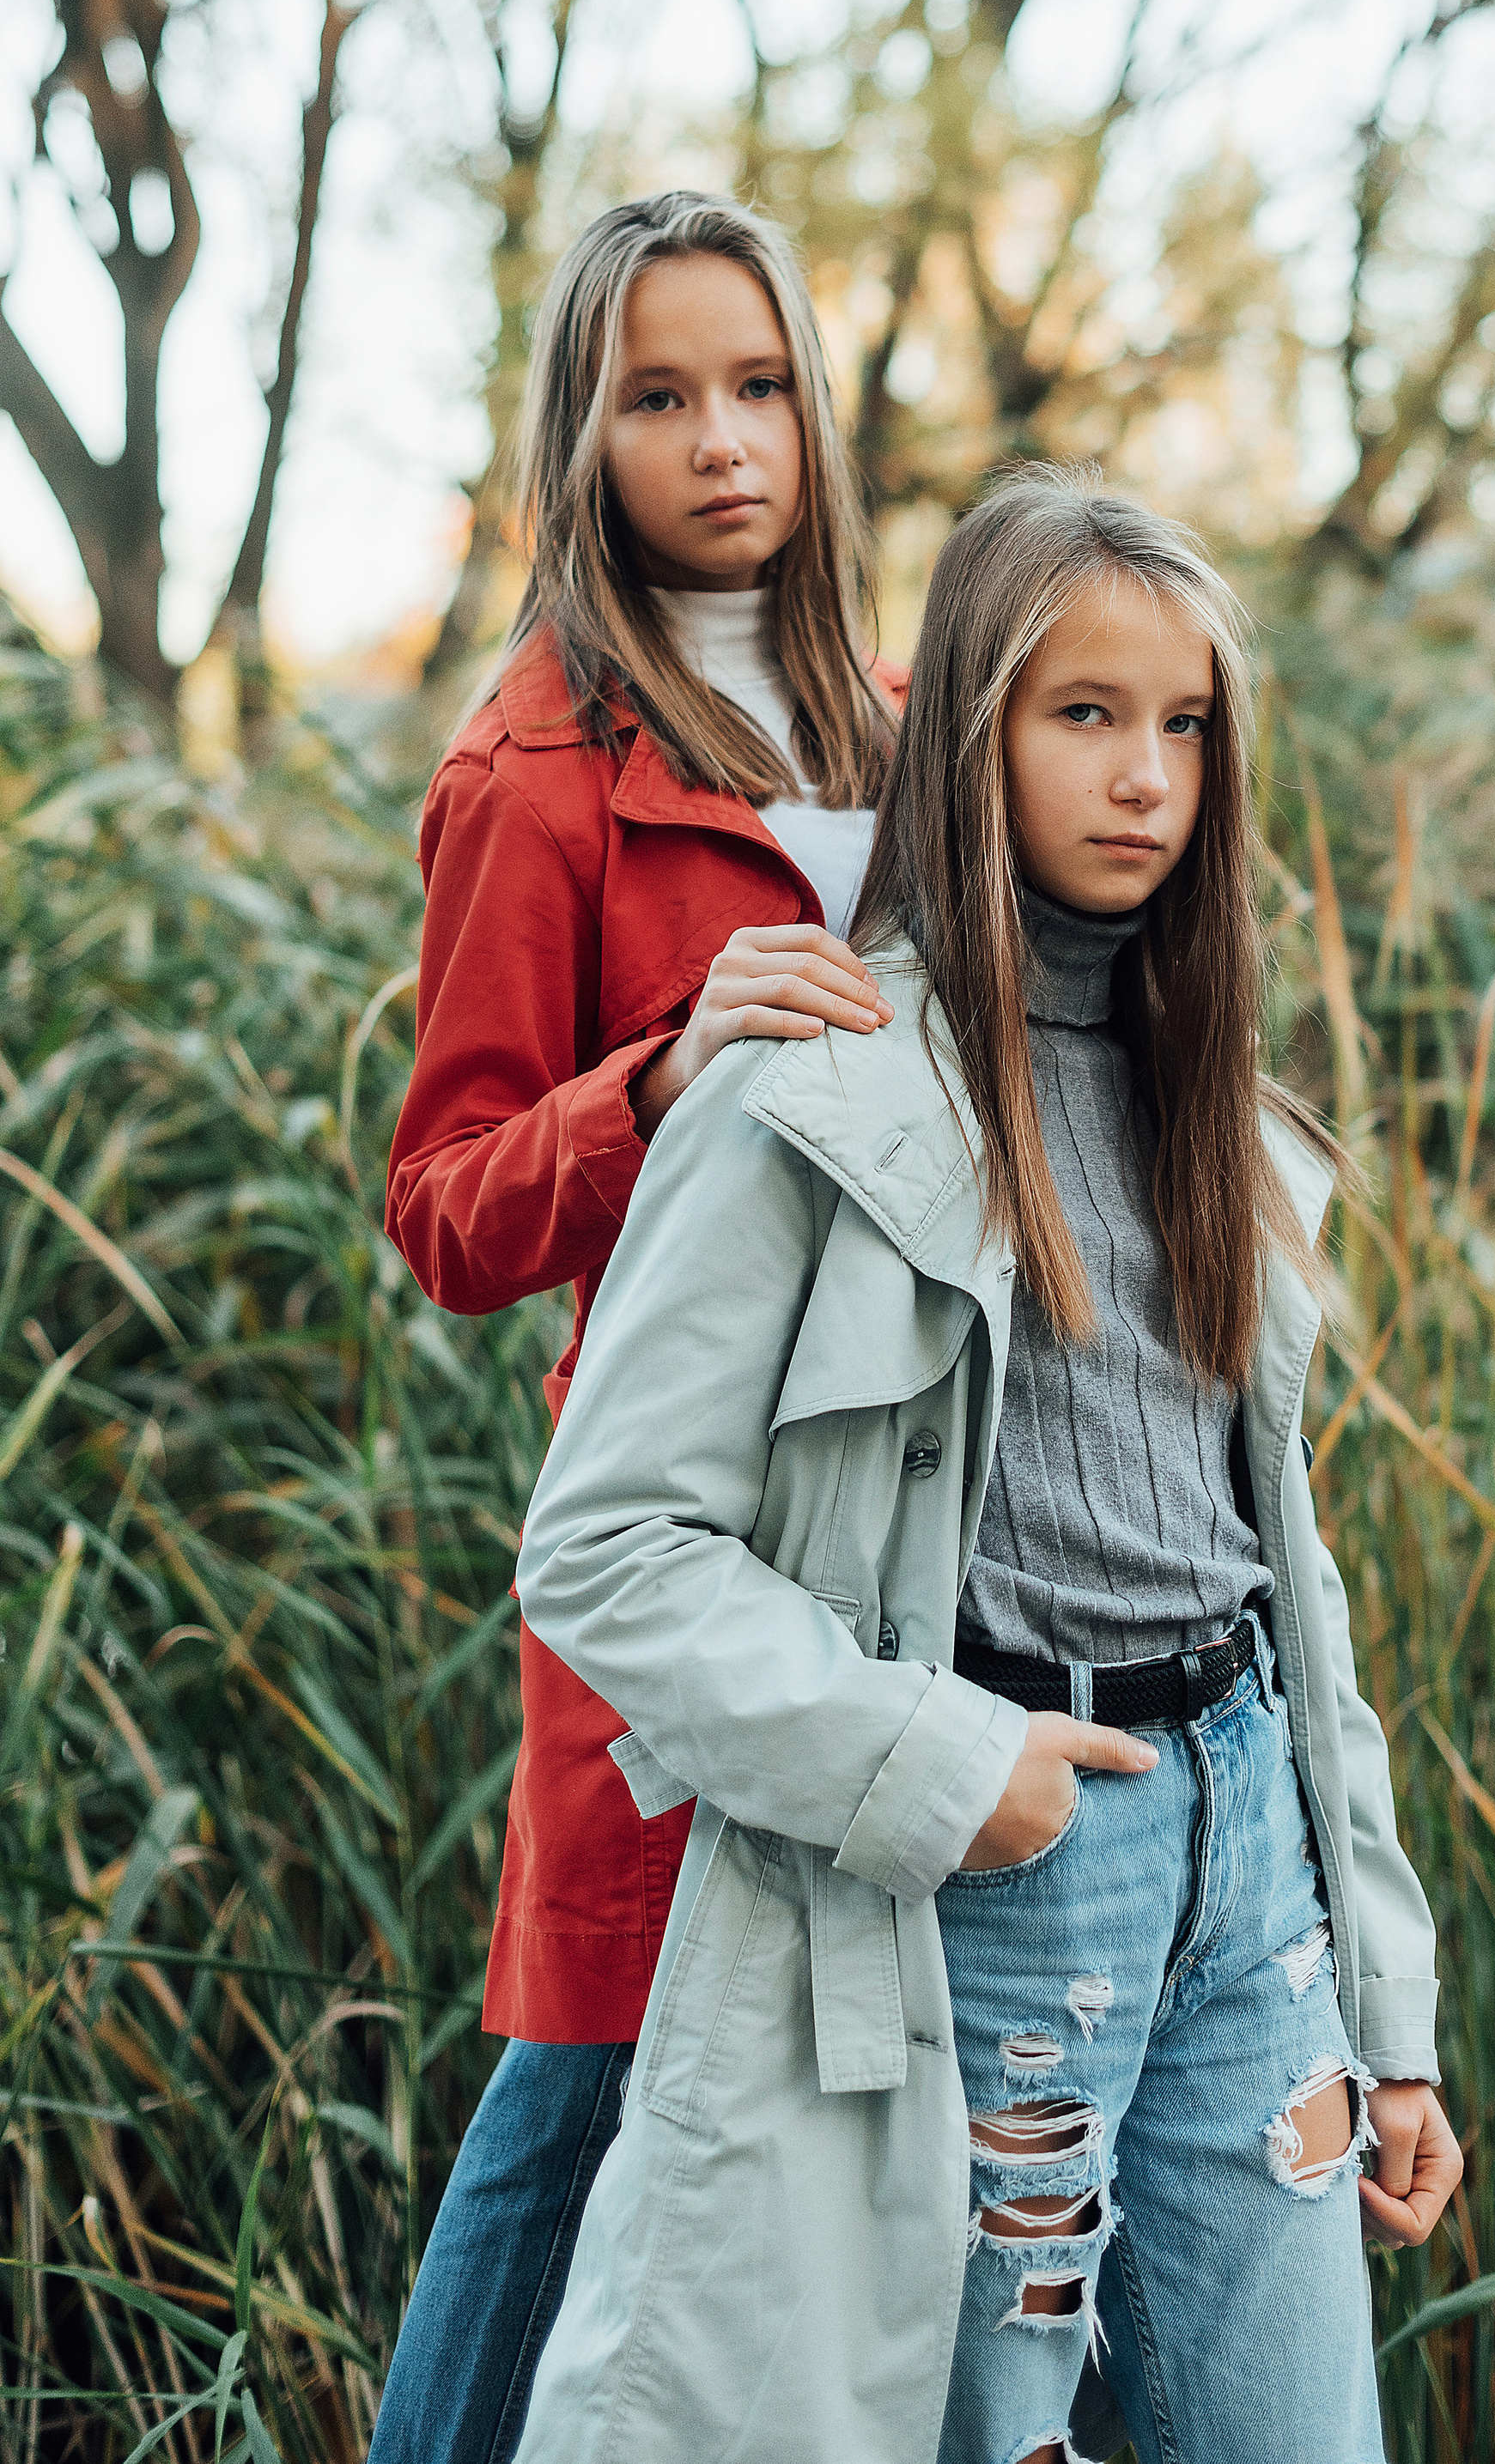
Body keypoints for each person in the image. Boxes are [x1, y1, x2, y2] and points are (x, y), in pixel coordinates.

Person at [506, 469, 1462, 2464]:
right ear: (969, 731)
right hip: (1003, 1875)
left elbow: (1288, 1580)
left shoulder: (1224, 1119)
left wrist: (1388, 2011)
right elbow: (605, 1547)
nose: (1144, 776)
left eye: (1182, 723)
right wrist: (946, 1769)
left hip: (1251, 1882)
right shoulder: (813, 1087)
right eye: (1081, 713)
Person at [373, 192, 903, 2464]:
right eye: (659, 396)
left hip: (920, 1507)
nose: (721, 441)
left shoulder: (919, 724)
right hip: (671, 1517)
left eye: (758, 386)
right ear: (581, 436)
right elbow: (443, 1210)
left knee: (882, 2090)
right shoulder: (535, 770)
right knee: (589, 2066)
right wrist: (659, 1075)